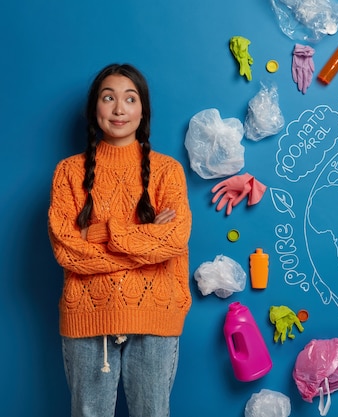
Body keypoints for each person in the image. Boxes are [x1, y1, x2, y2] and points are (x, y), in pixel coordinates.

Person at [48, 63, 192, 417]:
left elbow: (174, 240)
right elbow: (67, 250)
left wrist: (99, 234)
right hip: (88, 314)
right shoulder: (68, 172)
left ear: (142, 109)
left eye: (130, 99)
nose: (118, 109)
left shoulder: (167, 170)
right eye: (108, 97)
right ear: (94, 108)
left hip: (157, 313)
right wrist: (146, 246)